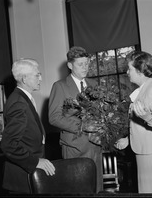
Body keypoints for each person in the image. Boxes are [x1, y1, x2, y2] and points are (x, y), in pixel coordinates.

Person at [115, 50, 152, 193]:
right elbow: (140, 124)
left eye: (129, 69)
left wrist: (148, 117)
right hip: (145, 151)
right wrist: (128, 140)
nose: (127, 72)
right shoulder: (143, 90)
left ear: (139, 71)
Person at [48, 46, 103, 193]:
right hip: (74, 147)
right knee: (77, 189)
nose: (85, 68)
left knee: (96, 188)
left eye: (87, 63)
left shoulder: (94, 84)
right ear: (70, 65)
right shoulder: (59, 86)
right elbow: (54, 118)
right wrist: (83, 125)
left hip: (96, 146)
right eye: (80, 64)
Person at [1, 58, 55, 194]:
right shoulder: (18, 102)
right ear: (24, 79)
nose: (41, 78)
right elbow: (8, 145)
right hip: (23, 175)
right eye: (37, 75)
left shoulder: (23, 98)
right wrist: (35, 162)